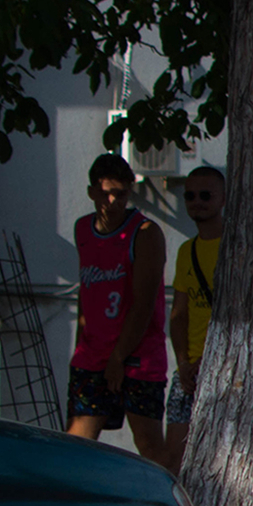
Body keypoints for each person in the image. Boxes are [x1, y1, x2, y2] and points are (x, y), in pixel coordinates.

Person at [66, 152, 169, 455]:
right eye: (106, 194)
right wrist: (81, 348)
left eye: (120, 194)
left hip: (137, 355)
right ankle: (75, 499)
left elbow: (144, 302)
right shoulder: (83, 229)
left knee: (148, 444)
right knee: (77, 442)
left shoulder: (145, 233)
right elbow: (86, 293)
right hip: (92, 354)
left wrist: (119, 357)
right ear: (91, 192)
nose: (112, 202)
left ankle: (159, 500)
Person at [160, 164, 224, 470]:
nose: (196, 201)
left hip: (225, 369)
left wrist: (207, 362)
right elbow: (179, 315)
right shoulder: (187, 250)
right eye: (189, 196)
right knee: (173, 459)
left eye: (205, 195)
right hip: (190, 374)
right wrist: (184, 364)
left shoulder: (236, 248)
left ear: (223, 199)